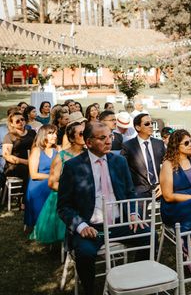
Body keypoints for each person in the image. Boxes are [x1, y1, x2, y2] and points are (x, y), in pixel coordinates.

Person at [57, 121, 151, 295]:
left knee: (148, 235)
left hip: (119, 223)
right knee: (85, 255)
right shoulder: (73, 167)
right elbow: (63, 206)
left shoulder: (119, 162)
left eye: (110, 136)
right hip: (90, 227)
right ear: (89, 142)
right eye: (103, 138)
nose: (109, 141)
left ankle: (135, 284)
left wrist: (132, 213)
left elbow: (130, 192)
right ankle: (90, 290)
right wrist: (81, 226)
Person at [30, 122, 85, 244]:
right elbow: (52, 183)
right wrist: (71, 192)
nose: (85, 135)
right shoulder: (62, 156)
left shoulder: (89, 154)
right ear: (71, 138)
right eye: (81, 134)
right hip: (64, 195)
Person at [120, 113, 165, 198]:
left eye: (152, 123)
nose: (151, 126)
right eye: (147, 124)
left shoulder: (159, 144)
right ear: (138, 127)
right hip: (139, 191)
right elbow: (122, 169)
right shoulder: (128, 146)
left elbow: (168, 164)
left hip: (160, 187)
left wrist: (164, 184)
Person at [24, 125, 58, 228]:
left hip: (52, 180)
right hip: (38, 183)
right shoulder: (36, 150)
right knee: (51, 190)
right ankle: (43, 224)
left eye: (55, 133)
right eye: (51, 133)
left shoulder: (57, 150)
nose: (55, 136)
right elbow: (34, 175)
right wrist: (52, 176)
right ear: (43, 135)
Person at [3, 111, 36, 198]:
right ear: (12, 124)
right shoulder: (9, 136)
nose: (21, 122)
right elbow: (6, 155)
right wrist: (25, 162)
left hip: (32, 160)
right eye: (17, 121)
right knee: (29, 171)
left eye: (22, 119)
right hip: (15, 164)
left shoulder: (32, 133)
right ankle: (24, 200)